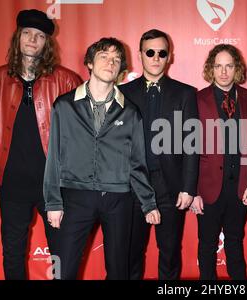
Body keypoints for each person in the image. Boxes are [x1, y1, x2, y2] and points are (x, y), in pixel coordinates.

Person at [43, 37, 160, 280]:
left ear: (121, 70)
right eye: (104, 57)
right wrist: (53, 202)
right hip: (75, 197)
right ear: (89, 63)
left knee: (119, 272)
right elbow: (54, 158)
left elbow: (137, 163)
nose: (111, 62)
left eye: (117, 59)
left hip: (118, 199)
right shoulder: (65, 106)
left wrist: (148, 203)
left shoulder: (130, 111)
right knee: (63, 271)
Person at [0, 9, 82, 280]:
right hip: (12, 183)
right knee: (12, 252)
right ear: (18, 38)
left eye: (39, 35)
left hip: (54, 185)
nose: (32, 39)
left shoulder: (66, 80)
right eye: (27, 33)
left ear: (47, 43)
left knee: (62, 252)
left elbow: (78, 137)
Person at [119, 29, 199, 280]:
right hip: (132, 186)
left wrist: (188, 187)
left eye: (161, 52)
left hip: (170, 186)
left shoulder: (185, 93)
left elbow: (191, 144)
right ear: (140, 55)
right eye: (150, 52)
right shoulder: (123, 93)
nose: (156, 57)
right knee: (131, 253)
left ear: (169, 57)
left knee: (170, 253)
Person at [189, 44, 247, 280]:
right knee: (207, 244)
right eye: (218, 66)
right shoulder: (197, 100)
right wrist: (193, 191)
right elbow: (189, 149)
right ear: (211, 68)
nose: (223, 72)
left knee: (235, 241)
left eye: (229, 66)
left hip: (240, 185)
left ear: (236, 68)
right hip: (207, 187)